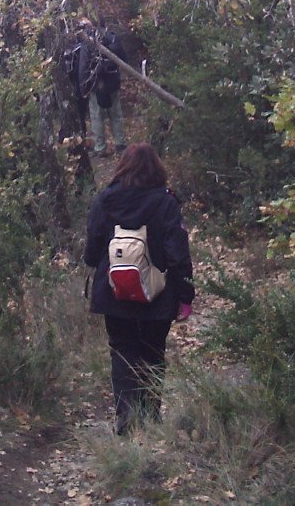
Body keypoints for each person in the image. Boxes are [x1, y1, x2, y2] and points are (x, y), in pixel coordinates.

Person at [83, 143, 195, 435]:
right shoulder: (166, 202)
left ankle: (126, 417)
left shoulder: (106, 199)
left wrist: (96, 262)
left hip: (113, 291)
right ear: (157, 167)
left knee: (122, 351)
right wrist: (185, 296)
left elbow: (93, 246)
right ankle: (150, 418)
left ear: (122, 166)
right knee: (153, 353)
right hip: (157, 295)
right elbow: (177, 252)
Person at [74, 18, 127, 156]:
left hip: (96, 85)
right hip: (113, 82)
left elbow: (83, 67)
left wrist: (83, 88)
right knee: (116, 115)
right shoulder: (112, 37)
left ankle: (100, 147)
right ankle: (120, 145)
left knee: (97, 117)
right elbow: (124, 59)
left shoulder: (88, 42)